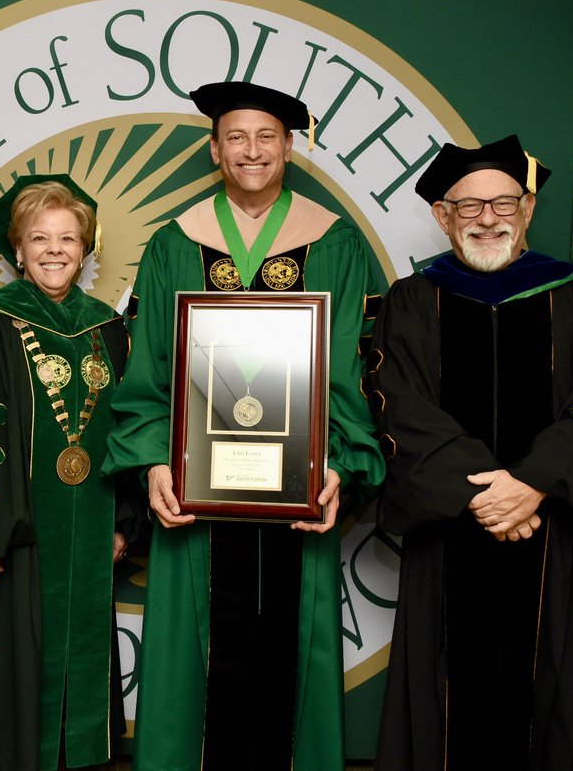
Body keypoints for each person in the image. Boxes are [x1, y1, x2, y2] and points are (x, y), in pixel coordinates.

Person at [101, 81, 385, 771]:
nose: (251, 150)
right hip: (199, 497)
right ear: (214, 148)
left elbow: (354, 366)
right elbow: (151, 369)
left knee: (293, 652)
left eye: (266, 136)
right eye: (236, 137)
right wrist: (156, 464)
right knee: (196, 657)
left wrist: (341, 462)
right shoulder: (176, 243)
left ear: (288, 146)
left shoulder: (336, 244)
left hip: (300, 490)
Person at [370, 135, 573, 771]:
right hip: (449, 535)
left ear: (526, 211)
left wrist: (534, 482)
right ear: (442, 217)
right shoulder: (413, 300)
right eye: (469, 207)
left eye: (503, 203)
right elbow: (395, 404)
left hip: (551, 536)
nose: (488, 217)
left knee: (547, 693)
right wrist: (486, 491)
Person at [0, 176, 137, 771]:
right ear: (17, 251)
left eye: (68, 237)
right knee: (4, 688)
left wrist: (121, 521)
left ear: (87, 249)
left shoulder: (105, 327)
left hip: (88, 529)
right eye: (40, 238)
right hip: (11, 534)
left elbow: (123, 428)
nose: (55, 249)